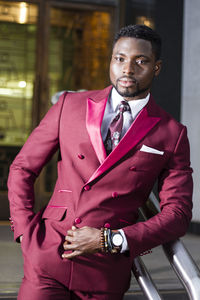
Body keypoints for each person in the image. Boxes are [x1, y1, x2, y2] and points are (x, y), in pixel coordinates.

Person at [7, 24, 193, 300]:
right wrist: (24, 232)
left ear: (157, 68)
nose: (127, 69)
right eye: (120, 59)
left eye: (140, 61)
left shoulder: (171, 133)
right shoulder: (70, 105)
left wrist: (113, 240)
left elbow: (177, 214)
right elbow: (23, 167)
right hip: (47, 255)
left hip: (105, 268)